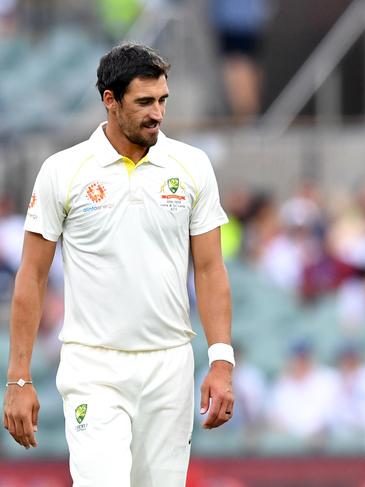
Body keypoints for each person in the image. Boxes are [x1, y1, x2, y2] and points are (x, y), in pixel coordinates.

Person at [3, 43, 235, 487]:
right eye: (144, 102)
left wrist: (221, 360)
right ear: (110, 100)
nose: (157, 114)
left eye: (163, 100)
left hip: (169, 366)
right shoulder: (64, 170)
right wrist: (18, 379)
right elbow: (31, 275)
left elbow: (209, 270)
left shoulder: (192, 166)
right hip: (94, 367)